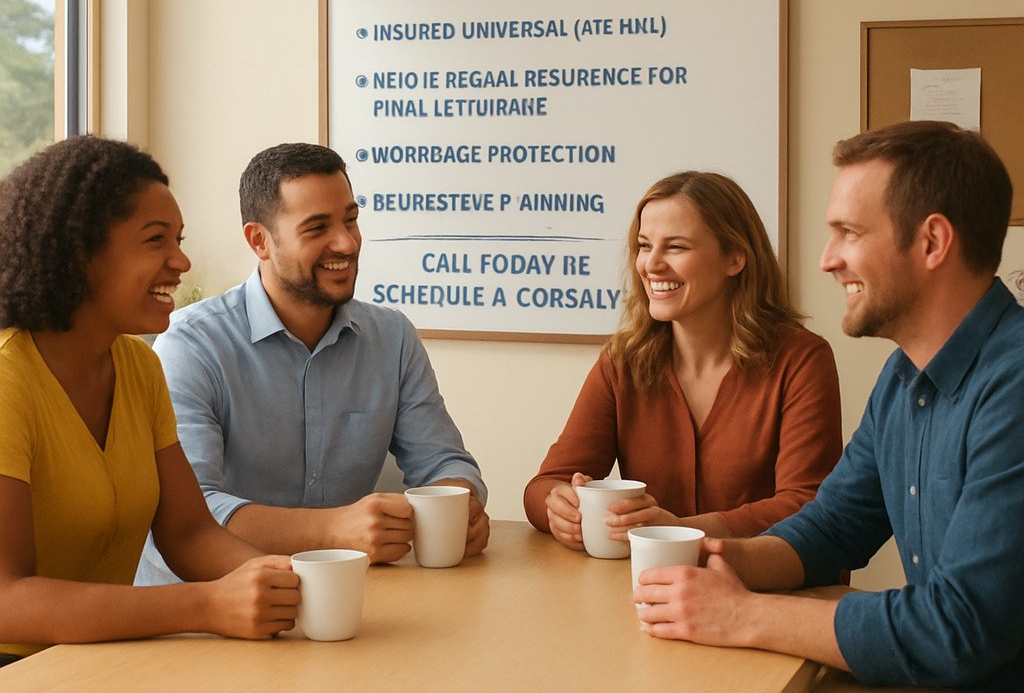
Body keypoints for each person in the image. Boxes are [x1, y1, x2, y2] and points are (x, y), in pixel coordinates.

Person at [635, 122, 1024, 691]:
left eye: (848, 232)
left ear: (933, 242)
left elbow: (957, 628)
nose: (826, 259)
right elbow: (835, 526)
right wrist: (717, 561)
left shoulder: (1013, 384)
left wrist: (742, 615)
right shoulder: (903, 377)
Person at [0, 136, 299, 665]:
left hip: (96, 662)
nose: (180, 261)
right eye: (155, 239)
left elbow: (187, 533)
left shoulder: (139, 367)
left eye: (178, 239)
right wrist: (206, 605)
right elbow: (7, 599)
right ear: (79, 251)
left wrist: (286, 580)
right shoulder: (7, 379)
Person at [137, 142, 487, 584]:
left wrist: (459, 506)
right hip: (203, 611)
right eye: (317, 227)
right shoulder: (190, 345)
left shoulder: (392, 337)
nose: (346, 241)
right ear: (259, 241)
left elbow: (445, 464)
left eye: (351, 219)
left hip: (345, 600)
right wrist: (332, 531)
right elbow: (194, 511)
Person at [524, 171, 842, 548]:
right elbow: (545, 485)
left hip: (768, 592)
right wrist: (558, 508)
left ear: (735, 257)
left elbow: (808, 505)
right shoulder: (622, 361)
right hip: (652, 590)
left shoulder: (802, 359)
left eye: (675, 247)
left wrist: (682, 530)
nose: (651, 265)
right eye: (644, 246)